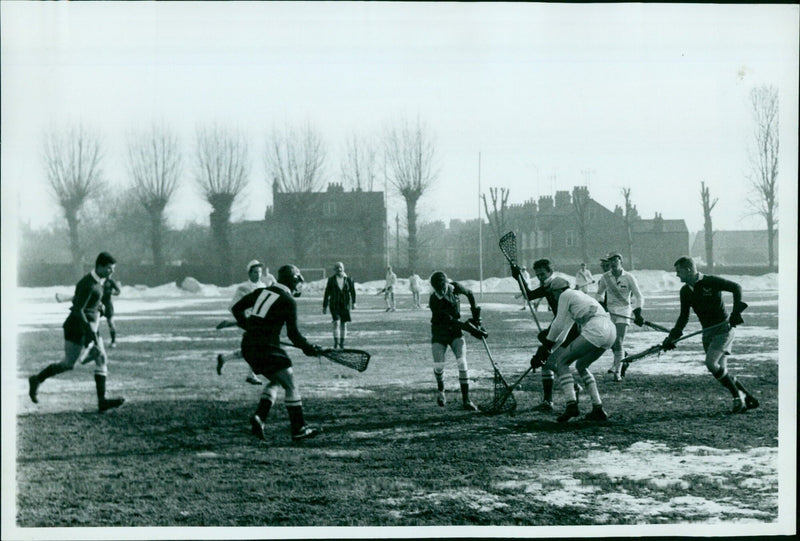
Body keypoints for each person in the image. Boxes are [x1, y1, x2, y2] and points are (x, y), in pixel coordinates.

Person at [231, 264, 322, 441]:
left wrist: (248, 325)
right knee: (291, 384)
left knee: (277, 380)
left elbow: (236, 308)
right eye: (298, 281)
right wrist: (308, 348)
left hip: (248, 345)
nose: (299, 286)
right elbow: (293, 335)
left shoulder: (262, 292)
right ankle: (299, 428)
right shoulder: (288, 300)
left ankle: (259, 417)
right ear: (293, 280)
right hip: (267, 348)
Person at [28, 252, 125, 412]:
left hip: (91, 327)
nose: (111, 272)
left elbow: (89, 302)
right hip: (77, 327)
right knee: (68, 364)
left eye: (113, 269)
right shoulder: (87, 283)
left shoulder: (101, 281)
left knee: (101, 359)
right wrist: (89, 332)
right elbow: (79, 310)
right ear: (99, 266)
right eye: (109, 268)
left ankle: (102, 401)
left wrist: (99, 306)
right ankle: (36, 379)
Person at [661, 256, 758, 414]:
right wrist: (673, 337)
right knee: (720, 370)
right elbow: (683, 316)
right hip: (707, 332)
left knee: (711, 364)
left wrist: (735, 312)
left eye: (679, 271)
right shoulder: (685, 291)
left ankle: (737, 399)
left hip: (723, 329)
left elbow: (736, 288)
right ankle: (748, 397)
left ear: (688, 270)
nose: (677, 275)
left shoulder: (710, 281)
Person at [530, 279, 617, 422]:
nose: (553, 297)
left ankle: (571, 405)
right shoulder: (577, 298)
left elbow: (557, 325)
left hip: (596, 328)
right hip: (610, 331)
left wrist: (545, 347)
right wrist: (547, 351)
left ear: (558, 291)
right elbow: (563, 334)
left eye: (553, 294)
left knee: (561, 363)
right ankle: (598, 407)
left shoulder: (566, 295)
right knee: (581, 366)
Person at [512, 258, 582, 412]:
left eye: (543, 274)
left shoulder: (559, 285)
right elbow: (529, 296)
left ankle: (571, 388)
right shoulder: (546, 286)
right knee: (546, 361)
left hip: (569, 328)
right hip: (559, 325)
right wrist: (519, 278)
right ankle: (549, 400)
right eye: (537, 275)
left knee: (549, 360)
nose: (540, 277)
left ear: (551, 272)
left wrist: (548, 340)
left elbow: (566, 317)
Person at [428, 271, 481, 411]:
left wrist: (476, 316)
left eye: (443, 287)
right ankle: (441, 391)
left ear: (447, 283)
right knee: (439, 366)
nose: (441, 291)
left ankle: (466, 400)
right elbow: (450, 320)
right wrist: (471, 329)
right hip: (440, 332)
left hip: (455, 332)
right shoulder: (434, 300)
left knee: (462, 362)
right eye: (438, 289)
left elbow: (470, 294)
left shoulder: (455, 287)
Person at [216, 260, 267, 385]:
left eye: (260, 272)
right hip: (250, 322)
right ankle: (251, 375)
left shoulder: (264, 287)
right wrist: (242, 320)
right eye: (255, 272)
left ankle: (225, 358)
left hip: (260, 321)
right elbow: (234, 306)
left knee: (253, 348)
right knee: (256, 348)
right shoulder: (243, 288)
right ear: (249, 273)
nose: (258, 274)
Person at [595, 252, 645, 381]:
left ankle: (617, 372)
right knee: (609, 340)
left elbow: (639, 296)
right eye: (610, 261)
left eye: (615, 261)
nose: (612, 263)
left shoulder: (629, 277)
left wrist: (638, 311)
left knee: (618, 341)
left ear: (620, 261)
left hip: (624, 311)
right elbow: (599, 294)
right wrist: (601, 304)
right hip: (609, 312)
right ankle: (623, 358)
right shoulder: (605, 277)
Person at [56, 276, 121, 347]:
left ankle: (113, 341)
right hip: (98, 305)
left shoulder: (110, 281)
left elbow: (118, 291)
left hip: (108, 305)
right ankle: (95, 343)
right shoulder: (97, 282)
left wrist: (111, 292)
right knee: (95, 324)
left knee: (110, 323)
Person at [322, 261, 357, 349]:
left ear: (343, 268)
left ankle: (342, 343)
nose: (339, 270)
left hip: (345, 304)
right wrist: (324, 306)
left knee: (343, 324)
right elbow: (327, 293)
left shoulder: (349, 279)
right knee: (336, 322)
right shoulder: (331, 280)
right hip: (334, 304)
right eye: (337, 269)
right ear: (335, 270)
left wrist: (354, 303)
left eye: (340, 268)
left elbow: (353, 292)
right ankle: (336, 343)